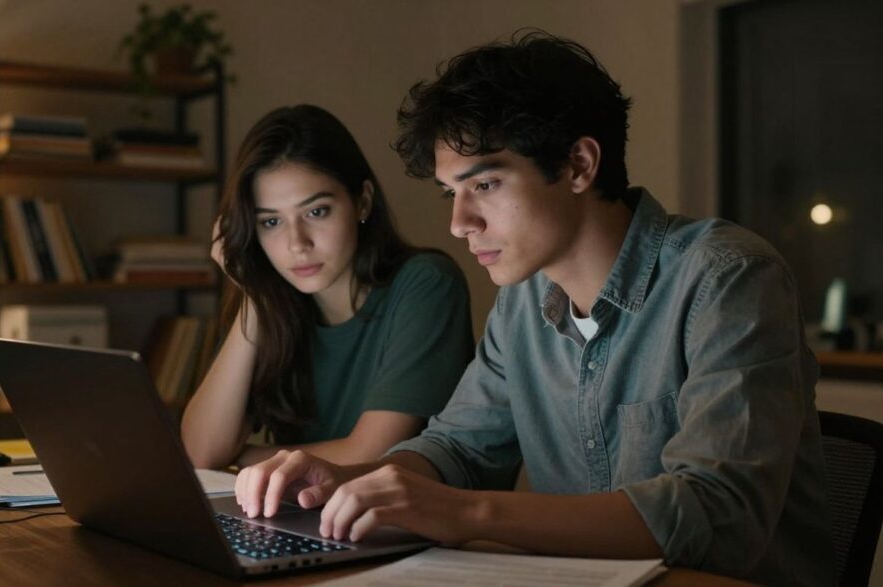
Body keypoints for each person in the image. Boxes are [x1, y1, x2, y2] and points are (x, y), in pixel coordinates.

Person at [232, 32, 834, 586]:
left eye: (485, 185)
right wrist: (349, 482)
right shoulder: (522, 302)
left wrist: (470, 512)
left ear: (578, 164)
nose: (459, 222)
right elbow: (459, 449)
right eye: (452, 193)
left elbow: (715, 516)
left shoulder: (726, 278)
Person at [181, 104, 474, 470]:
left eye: (316, 212)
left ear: (362, 201)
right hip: (303, 519)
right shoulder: (276, 306)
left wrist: (242, 460)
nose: (296, 244)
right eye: (271, 222)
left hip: (402, 524)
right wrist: (253, 297)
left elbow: (373, 456)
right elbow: (200, 454)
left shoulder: (426, 284)